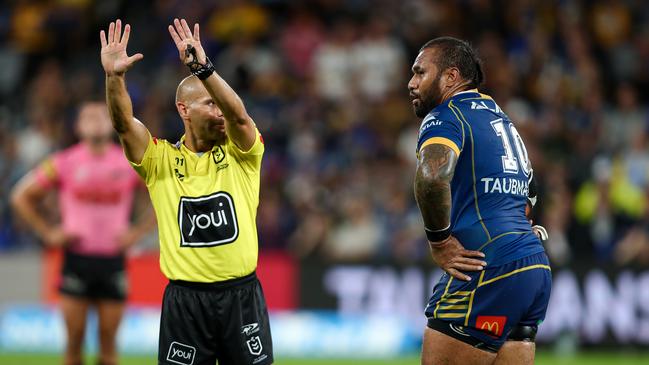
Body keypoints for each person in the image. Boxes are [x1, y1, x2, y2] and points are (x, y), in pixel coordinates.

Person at [99, 18, 273, 365]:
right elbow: (122, 123)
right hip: (186, 302)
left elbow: (239, 118)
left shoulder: (243, 154)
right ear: (184, 110)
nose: (219, 110)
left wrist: (205, 69)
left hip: (241, 297)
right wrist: (115, 78)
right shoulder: (159, 159)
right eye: (210, 103)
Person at [408, 37, 552, 365]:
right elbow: (530, 189)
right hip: (533, 268)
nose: (411, 83)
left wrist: (440, 241)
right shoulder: (501, 120)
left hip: (485, 267)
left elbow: (431, 177)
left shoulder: (446, 115)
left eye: (420, 73)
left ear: (451, 76)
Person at [10, 101, 155, 365]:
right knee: (74, 343)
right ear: (78, 126)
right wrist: (48, 233)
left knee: (109, 347)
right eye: (88, 116)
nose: (95, 120)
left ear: (111, 123)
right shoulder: (64, 162)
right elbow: (20, 196)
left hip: (113, 261)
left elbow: (164, 195)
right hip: (76, 259)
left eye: (101, 115)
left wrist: (137, 233)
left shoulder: (128, 162)